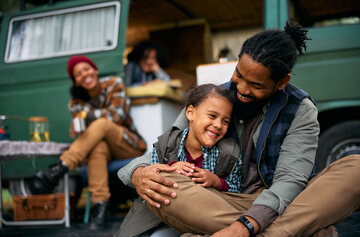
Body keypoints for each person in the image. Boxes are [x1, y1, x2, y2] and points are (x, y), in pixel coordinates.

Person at [116, 20, 360, 237]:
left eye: (255, 84)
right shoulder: (211, 100)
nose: (242, 89)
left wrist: (244, 227)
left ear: (281, 82)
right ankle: (296, 230)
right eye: (238, 75)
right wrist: (138, 173)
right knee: (164, 184)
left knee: (355, 168)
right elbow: (167, 145)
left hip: (281, 201)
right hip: (220, 201)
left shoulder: (300, 109)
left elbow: (290, 181)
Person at [28, 55, 147, 230]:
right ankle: (100, 207)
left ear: (95, 70)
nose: (84, 75)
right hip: (103, 148)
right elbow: (81, 134)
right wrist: (80, 127)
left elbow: (116, 116)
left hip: (128, 144)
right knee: (97, 146)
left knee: (101, 124)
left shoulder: (114, 83)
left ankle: (61, 166)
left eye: (86, 69)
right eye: (78, 74)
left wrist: (89, 116)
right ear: (75, 81)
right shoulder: (76, 101)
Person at [117, 84, 242, 237]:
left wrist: (217, 182)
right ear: (190, 113)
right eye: (212, 116)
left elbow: (238, 192)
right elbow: (153, 178)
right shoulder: (166, 145)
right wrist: (170, 168)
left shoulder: (229, 154)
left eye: (225, 121)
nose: (218, 125)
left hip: (204, 222)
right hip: (162, 216)